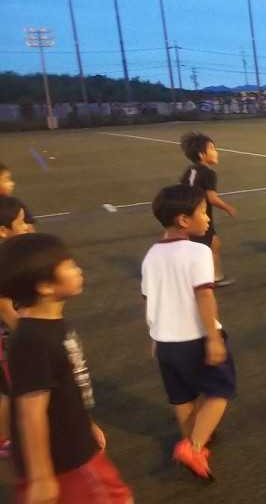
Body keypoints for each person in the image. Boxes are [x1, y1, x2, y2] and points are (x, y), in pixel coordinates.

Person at [0, 233, 133, 502]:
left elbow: (66, 388)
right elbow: (30, 412)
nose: (78, 269)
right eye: (69, 265)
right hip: (68, 460)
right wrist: (40, 477)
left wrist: (86, 423)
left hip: (74, 447)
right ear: (45, 287)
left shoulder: (51, 324)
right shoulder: (33, 339)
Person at [142, 184, 237, 481]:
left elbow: (149, 299)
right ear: (183, 220)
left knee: (182, 397)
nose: (207, 218)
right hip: (195, 338)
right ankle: (194, 446)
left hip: (166, 341)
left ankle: (193, 442)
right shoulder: (198, 251)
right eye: (203, 212)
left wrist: (154, 336)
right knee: (220, 390)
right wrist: (213, 338)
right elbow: (204, 295)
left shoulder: (151, 255)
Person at [180, 132, 237, 287]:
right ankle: (214, 277)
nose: (216, 152)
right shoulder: (208, 173)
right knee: (212, 244)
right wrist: (228, 208)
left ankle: (196, 275)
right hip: (200, 215)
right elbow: (212, 198)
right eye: (212, 148)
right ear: (201, 154)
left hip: (186, 213)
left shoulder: (190, 170)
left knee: (205, 244)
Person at [0, 196, 32, 460]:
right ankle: (8, 440)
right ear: (3, 231)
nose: (26, 227)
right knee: (10, 390)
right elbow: (4, 308)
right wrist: (30, 336)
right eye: (21, 222)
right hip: (6, 340)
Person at [0, 162, 37, 233]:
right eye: (6, 180)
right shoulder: (15, 204)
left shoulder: (15, 203)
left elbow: (31, 230)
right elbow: (31, 232)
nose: (12, 184)